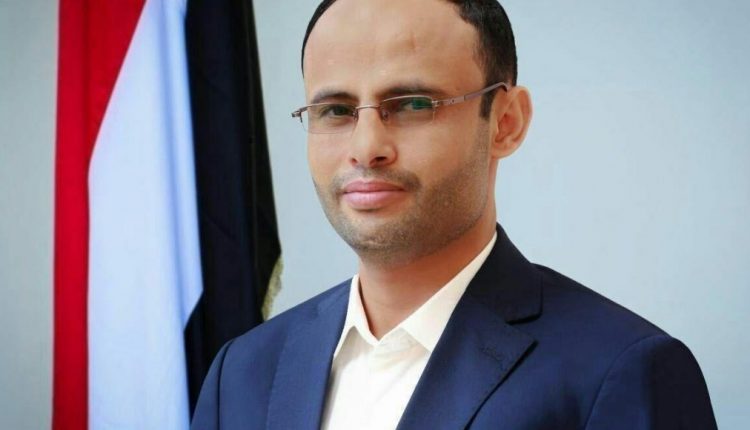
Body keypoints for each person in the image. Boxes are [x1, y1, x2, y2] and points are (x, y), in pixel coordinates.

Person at [191, 0, 717, 428]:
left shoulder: (620, 372)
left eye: (413, 104)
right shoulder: (241, 372)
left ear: (506, 122)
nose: (366, 147)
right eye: (336, 111)